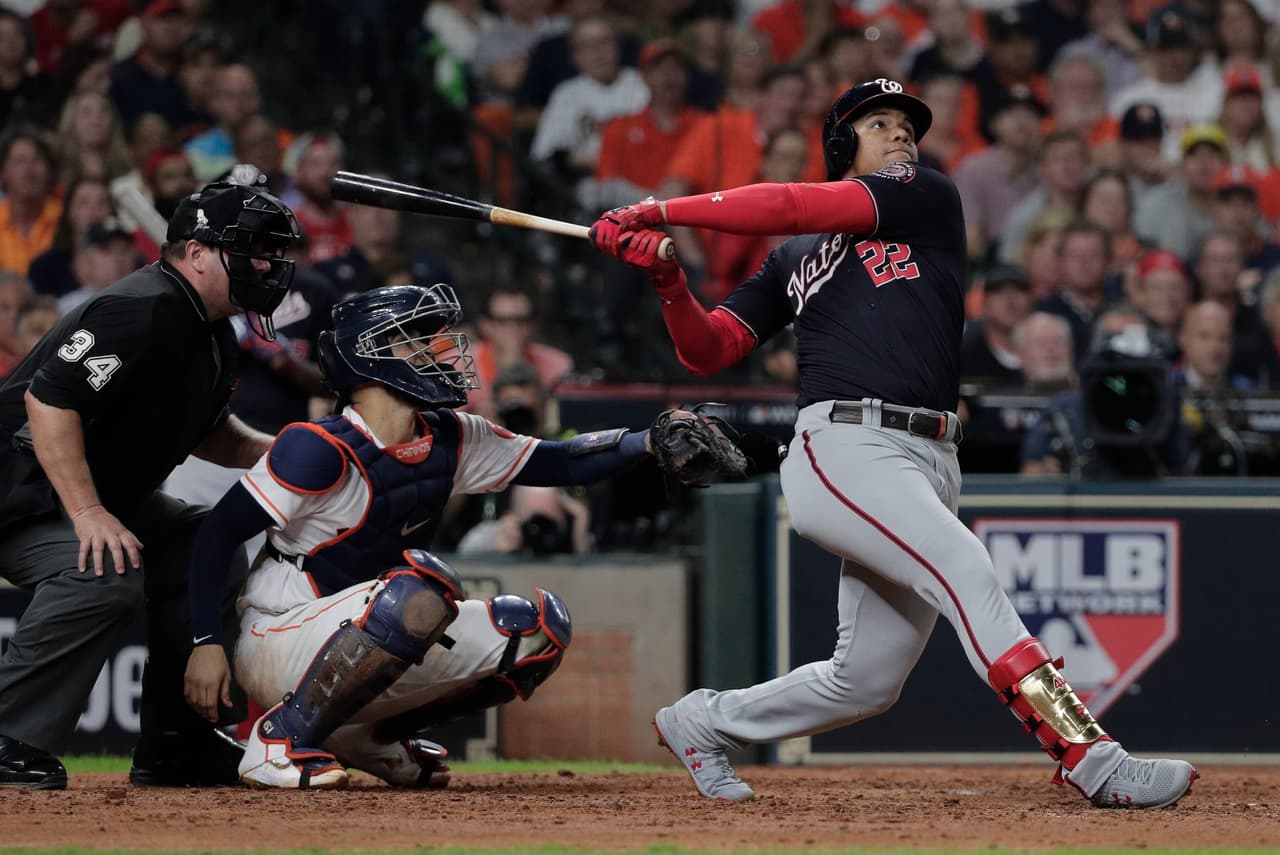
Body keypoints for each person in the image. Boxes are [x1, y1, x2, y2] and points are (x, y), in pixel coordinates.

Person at [588, 77, 1197, 809]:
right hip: (846, 443)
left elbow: (790, 203)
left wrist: (659, 209)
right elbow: (708, 349)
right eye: (879, 123)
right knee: (965, 567)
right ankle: (1090, 756)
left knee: (866, 681)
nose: (901, 134)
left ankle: (703, 722)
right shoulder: (794, 257)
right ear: (841, 141)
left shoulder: (924, 194)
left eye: (906, 125)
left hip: (932, 455)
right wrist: (667, 279)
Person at [182, 282, 678, 789]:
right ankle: (280, 739)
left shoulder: (451, 435)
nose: (434, 349)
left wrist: (648, 442)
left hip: (367, 628)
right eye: (413, 338)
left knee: (535, 630)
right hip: (278, 635)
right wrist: (206, 642)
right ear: (367, 355)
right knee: (418, 594)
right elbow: (218, 533)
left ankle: (366, 736)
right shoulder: (317, 447)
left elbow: (559, 461)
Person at [0, 179, 301, 789]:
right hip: (21, 494)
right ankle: (8, 735)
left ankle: (176, 744)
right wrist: (89, 513)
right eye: (251, 251)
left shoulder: (210, 329)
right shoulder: (139, 308)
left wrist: (279, 450)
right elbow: (49, 403)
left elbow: (207, 433)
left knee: (206, 544)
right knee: (101, 569)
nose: (266, 266)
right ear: (197, 253)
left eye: (271, 253)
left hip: (85, 494)